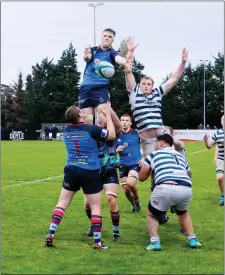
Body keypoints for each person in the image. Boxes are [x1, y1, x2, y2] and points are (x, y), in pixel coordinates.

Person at [45, 104, 116, 249]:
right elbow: (112, 135)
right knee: (95, 206)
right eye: (80, 110)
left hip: (71, 170)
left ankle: (51, 233)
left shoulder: (67, 131)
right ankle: (97, 242)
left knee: (62, 203)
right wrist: (108, 115)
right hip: (90, 170)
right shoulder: (91, 130)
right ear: (79, 115)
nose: (82, 111)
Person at [79, 29, 137, 167]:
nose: (106, 38)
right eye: (105, 35)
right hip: (86, 89)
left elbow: (119, 59)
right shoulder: (92, 50)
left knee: (103, 119)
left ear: (112, 40)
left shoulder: (112, 53)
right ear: (101, 36)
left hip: (101, 88)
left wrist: (127, 58)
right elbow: (86, 58)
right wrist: (86, 56)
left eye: (110, 36)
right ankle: (95, 153)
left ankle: (110, 153)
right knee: (87, 122)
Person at [124, 45, 189, 159]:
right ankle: (178, 147)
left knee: (168, 160)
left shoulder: (157, 92)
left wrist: (183, 63)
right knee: (153, 167)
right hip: (147, 140)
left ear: (152, 86)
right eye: (143, 84)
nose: (146, 86)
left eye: (149, 84)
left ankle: (179, 148)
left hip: (162, 135)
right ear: (139, 85)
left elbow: (173, 79)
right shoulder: (135, 94)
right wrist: (130, 51)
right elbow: (128, 72)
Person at [139, 133, 201, 251]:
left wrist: (146, 169)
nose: (155, 145)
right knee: (183, 213)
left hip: (165, 187)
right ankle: (193, 239)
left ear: (161, 143)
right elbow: (190, 174)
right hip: (186, 188)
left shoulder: (153, 154)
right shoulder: (180, 156)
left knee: (151, 214)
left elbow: (142, 178)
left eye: (156, 143)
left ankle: (155, 242)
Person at [84, 140, 121, 241]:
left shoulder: (112, 134)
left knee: (111, 200)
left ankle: (116, 231)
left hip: (109, 171)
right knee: (87, 205)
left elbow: (116, 126)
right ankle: (93, 223)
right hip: (93, 172)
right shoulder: (91, 134)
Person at [116, 114, 142, 212]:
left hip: (135, 163)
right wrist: (116, 150)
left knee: (131, 184)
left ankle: (137, 199)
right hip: (122, 165)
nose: (125, 122)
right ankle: (134, 204)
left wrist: (143, 157)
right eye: (122, 120)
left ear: (130, 123)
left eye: (127, 120)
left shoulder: (136, 133)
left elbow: (147, 142)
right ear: (120, 122)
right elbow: (110, 151)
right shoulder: (116, 135)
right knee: (126, 191)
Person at [203, 115, 224, 206]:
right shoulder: (217, 133)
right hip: (221, 159)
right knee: (219, 178)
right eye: (224, 120)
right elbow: (210, 146)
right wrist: (206, 142)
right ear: (221, 122)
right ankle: (223, 195)